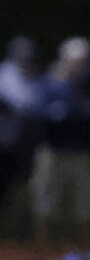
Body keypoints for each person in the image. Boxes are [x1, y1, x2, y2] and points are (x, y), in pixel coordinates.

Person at [29, 36, 90, 257]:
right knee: (45, 207)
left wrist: (67, 112)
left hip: (81, 152)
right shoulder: (50, 83)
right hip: (52, 152)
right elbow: (38, 113)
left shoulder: (89, 85)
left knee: (84, 209)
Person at [0, 35, 40, 202]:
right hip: (6, 142)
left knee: (20, 184)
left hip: (23, 140)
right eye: (24, 51)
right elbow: (23, 103)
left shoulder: (30, 74)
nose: (28, 55)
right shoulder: (6, 73)